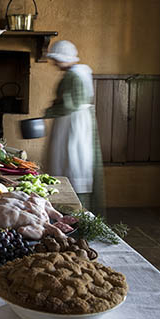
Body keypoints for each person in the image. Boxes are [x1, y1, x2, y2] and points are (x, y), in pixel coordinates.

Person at [44, 40, 105, 216]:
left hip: (74, 125)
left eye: (56, 59)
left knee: (72, 160)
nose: (54, 63)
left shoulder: (74, 75)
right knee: (67, 160)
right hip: (72, 121)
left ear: (65, 58)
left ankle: (74, 211)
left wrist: (48, 112)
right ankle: (66, 209)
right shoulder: (76, 73)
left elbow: (71, 105)